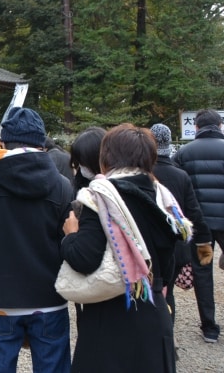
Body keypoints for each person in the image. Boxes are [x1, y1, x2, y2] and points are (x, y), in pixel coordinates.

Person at [61, 123, 193, 371]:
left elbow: (84, 258)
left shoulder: (100, 197)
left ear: (106, 158)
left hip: (110, 317)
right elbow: (168, 261)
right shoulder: (164, 197)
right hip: (154, 313)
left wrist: (71, 236)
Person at [0, 107, 73, 372]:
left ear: (4, 142)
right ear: (41, 142)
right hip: (49, 296)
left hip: (0, 296)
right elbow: (67, 240)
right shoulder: (61, 184)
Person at [150, 123, 212, 335]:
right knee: (168, 294)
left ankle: (152, 341)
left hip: (149, 246)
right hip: (177, 247)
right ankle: (167, 338)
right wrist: (204, 243)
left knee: (153, 291)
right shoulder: (180, 176)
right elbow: (194, 213)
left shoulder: (143, 174)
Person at [172, 108, 223, 343]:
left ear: (198, 127)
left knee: (203, 271)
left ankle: (209, 328)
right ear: (220, 126)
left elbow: (178, 187)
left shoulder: (184, 152)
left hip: (201, 227)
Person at [69, 127, 106, 194]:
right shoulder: (76, 188)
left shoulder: (119, 187)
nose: (81, 167)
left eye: (84, 163)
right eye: (79, 162)